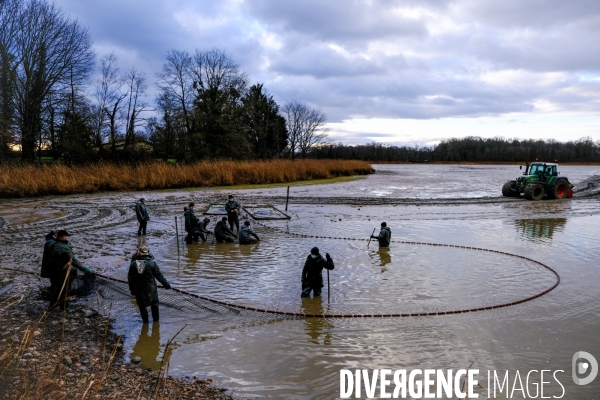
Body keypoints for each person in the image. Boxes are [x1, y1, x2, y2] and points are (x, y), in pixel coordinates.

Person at [48, 229, 93, 310]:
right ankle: (63, 307)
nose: (66, 237)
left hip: (52, 271)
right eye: (66, 236)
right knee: (65, 289)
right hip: (62, 272)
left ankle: (52, 306)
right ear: (63, 237)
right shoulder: (64, 247)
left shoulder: (51, 244)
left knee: (56, 287)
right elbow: (73, 260)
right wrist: (84, 269)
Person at [128, 246, 171, 323]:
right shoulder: (152, 263)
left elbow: (130, 279)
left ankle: (145, 323)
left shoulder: (133, 264)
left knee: (142, 306)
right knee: (154, 305)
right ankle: (156, 322)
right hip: (151, 289)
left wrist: (132, 290)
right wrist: (166, 284)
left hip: (139, 290)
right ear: (147, 253)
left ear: (139, 253)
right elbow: (159, 276)